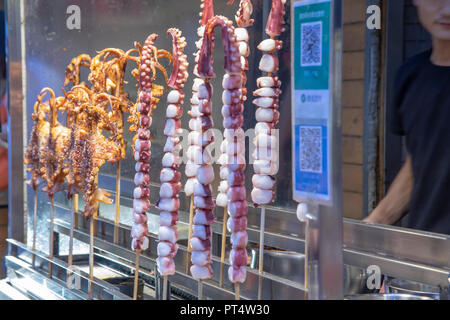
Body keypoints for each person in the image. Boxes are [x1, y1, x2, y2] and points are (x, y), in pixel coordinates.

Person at [364, 0, 450, 234]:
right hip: (424, 252)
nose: (447, 10)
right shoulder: (410, 75)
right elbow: (419, 164)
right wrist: (374, 224)